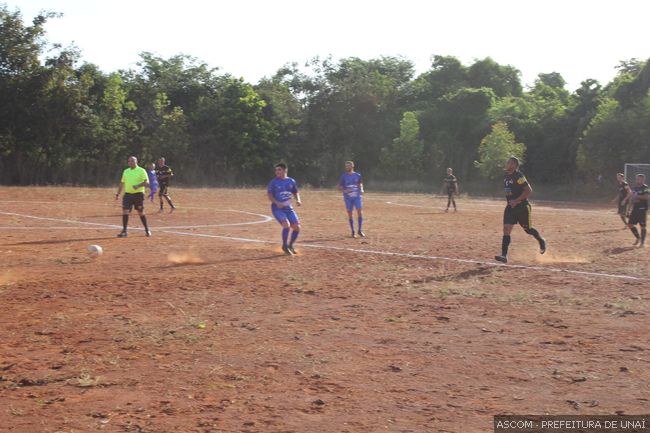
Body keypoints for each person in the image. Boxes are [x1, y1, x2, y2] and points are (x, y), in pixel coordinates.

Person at [495, 157, 546, 263]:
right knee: (506, 229)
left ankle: (541, 240)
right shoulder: (505, 176)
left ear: (514, 165)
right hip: (510, 207)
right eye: (507, 162)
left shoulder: (519, 176)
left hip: (522, 207)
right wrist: (511, 202)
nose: (507, 164)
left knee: (528, 230)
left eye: (509, 163)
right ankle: (504, 255)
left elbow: (528, 190)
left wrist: (516, 200)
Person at [267, 163, 302, 255]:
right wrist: (277, 202)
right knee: (286, 224)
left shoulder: (291, 181)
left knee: (297, 227)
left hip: (288, 208)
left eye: (279, 169)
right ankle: (284, 246)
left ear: (285, 170)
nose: (277, 172)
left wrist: (298, 200)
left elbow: (295, 192)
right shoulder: (274, 182)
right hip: (277, 208)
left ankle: (290, 245)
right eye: (276, 170)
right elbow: (269, 195)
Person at [115, 156, 151, 238]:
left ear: (136, 162)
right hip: (127, 194)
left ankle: (147, 229)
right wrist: (118, 194)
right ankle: (124, 231)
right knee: (125, 211)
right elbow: (122, 183)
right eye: (129, 161)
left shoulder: (141, 170)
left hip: (138, 194)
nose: (130, 162)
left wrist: (138, 185)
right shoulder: (126, 171)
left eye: (132, 161)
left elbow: (147, 183)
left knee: (140, 212)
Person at [338, 161, 365, 238]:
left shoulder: (357, 175)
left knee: (359, 211)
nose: (347, 167)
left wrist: (362, 189)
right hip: (348, 198)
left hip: (357, 196)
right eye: (346, 166)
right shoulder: (343, 176)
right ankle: (353, 231)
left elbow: (360, 183)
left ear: (352, 166)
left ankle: (360, 230)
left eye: (348, 166)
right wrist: (345, 190)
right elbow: (339, 187)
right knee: (350, 213)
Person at [627, 173, 649, 247]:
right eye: (637, 179)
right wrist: (628, 209)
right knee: (630, 225)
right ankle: (638, 238)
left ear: (643, 180)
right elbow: (632, 199)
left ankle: (642, 243)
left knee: (643, 226)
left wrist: (637, 196)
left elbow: (646, 197)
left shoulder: (646, 187)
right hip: (635, 209)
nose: (637, 180)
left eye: (639, 179)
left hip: (642, 209)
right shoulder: (634, 188)